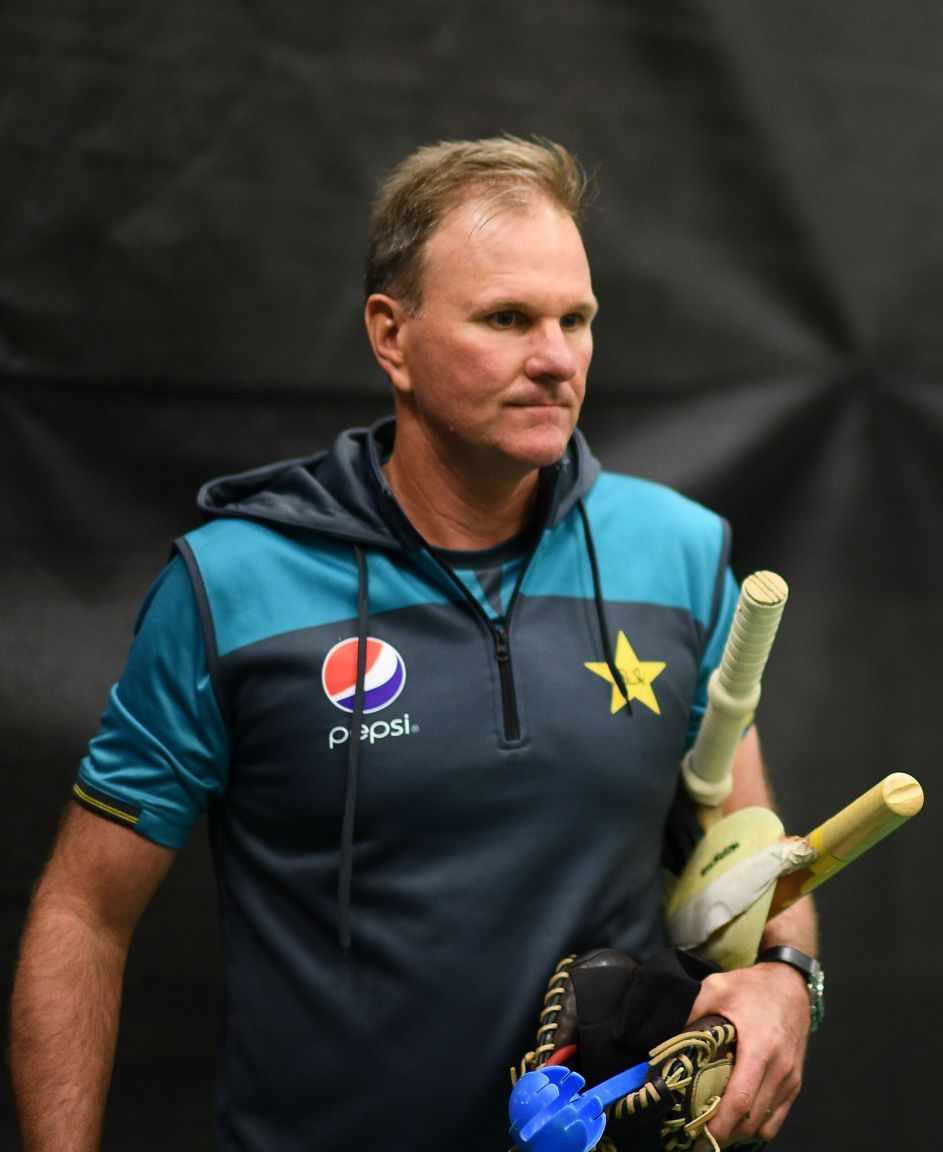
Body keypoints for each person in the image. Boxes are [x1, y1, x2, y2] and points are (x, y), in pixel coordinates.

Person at [11, 136, 818, 1151]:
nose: (557, 358)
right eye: (508, 319)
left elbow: (757, 851)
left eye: (577, 320)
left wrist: (787, 979)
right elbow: (83, 918)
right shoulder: (234, 587)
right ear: (392, 338)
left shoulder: (680, 554)